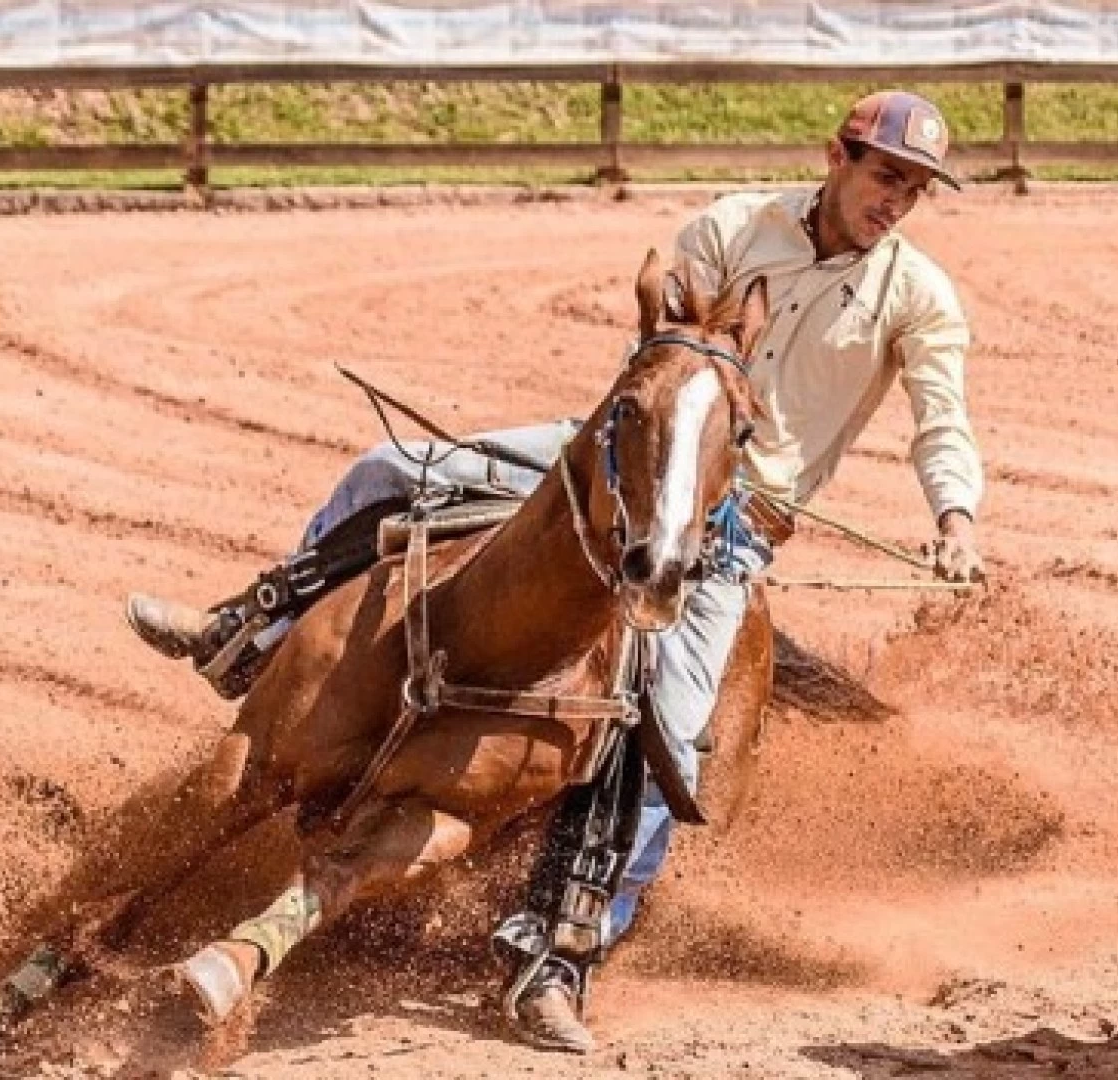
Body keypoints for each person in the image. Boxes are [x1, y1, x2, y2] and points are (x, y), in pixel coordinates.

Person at [124, 89, 986, 1054]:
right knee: (388, 471)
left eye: (915, 188)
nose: (896, 200)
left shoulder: (918, 296)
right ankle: (253, 629)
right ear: (837, 157)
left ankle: (562, 948)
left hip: (733, 522)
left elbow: (940, 415)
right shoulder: (732, 225)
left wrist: (953, 515)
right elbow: (652, 359)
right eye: (885, 176)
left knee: (673, 730)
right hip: (620, 461)